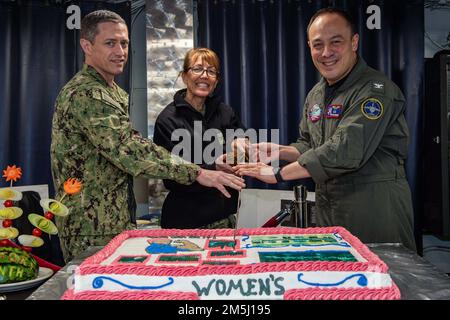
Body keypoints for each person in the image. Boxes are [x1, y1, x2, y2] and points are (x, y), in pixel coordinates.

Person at [50, 10, 244, 262]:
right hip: (90, 227)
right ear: (86, 45)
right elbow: (130, 151)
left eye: (124, 43)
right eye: (110, 43)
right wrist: (199, 172)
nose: (120, 51)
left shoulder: (115, 93)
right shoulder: (87, 93)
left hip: (115, 221)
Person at [235, 7, 416, 251]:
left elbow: (344, 151)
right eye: (317, 45)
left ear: (354, 42)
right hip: (330, 209)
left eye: (336, 42)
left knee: (384, 283)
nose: (326, 52)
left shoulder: (374, 90)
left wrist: (277, 175)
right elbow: (311, 144)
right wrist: (280, 151)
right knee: (336, 285)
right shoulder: (317, 94)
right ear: (309, 47)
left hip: (375, 210)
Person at [153, 47, 247, 229]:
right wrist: (214, 166)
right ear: (184, 76)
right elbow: (169, 177)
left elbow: (243, 150)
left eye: (211, 71)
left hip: (226, 218)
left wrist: (242, 146)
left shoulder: (224, 111)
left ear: (216, 80)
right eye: (197, 69)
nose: (205, 75)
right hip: (186, 221)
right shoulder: (168, 119)